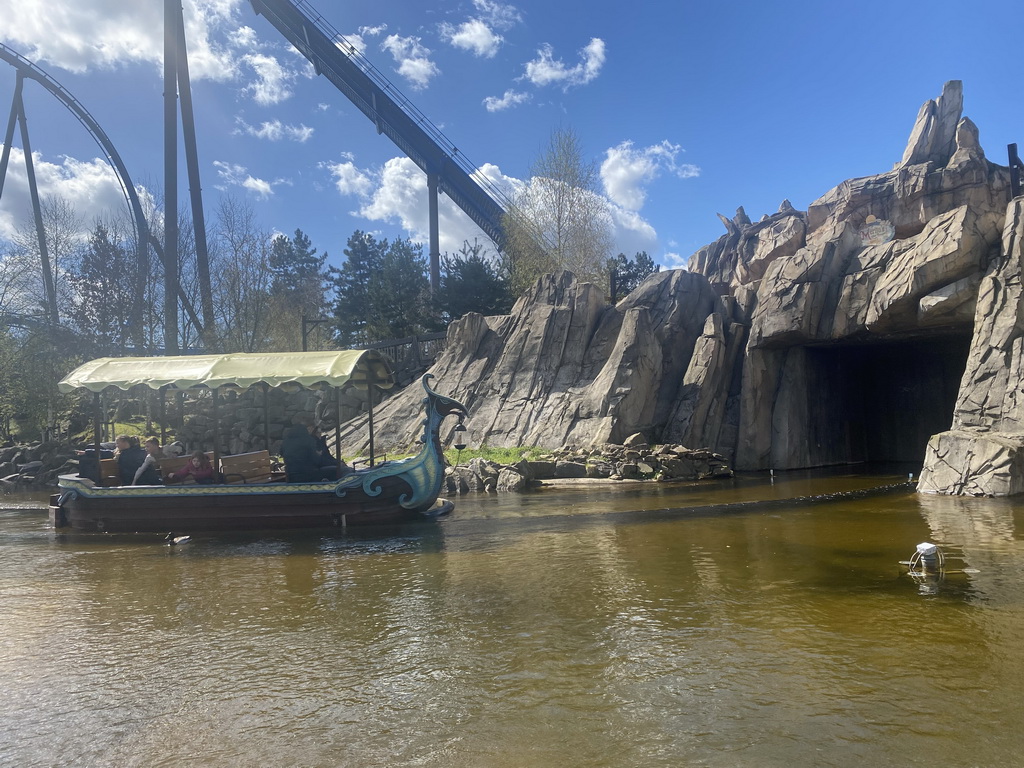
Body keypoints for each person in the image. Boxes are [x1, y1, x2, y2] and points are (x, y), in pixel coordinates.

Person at [282, 417, 334, 482]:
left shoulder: (286, 441)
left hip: (291, 476)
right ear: (308, 428)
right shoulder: (309, 440)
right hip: (309, 475)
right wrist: (318, 454)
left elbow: (281, 453)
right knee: (342, 470)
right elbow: (316, 461)